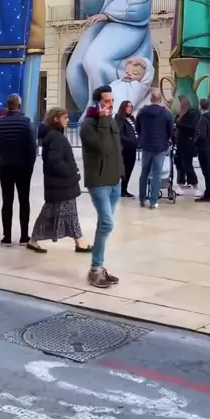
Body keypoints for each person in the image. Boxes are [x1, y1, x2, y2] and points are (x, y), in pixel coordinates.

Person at [27, 107, 91, 254]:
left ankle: (78, 241)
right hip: (60, 184)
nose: (67, 120)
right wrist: (71, 172)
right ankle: (78, 241)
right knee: (55, 213)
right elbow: (54, 161)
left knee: (64, 214)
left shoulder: (54, 135)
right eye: (65, 118)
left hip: (60, 184)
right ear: (56, 119)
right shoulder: (55, 137)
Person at [80, 85, 123, 288]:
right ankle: (95, 269)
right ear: (97, 102)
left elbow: (116, 149)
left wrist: (121, 173)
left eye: (112, 101)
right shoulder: (88, 124)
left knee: (103, 226)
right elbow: (101, 147)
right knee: (107, 223)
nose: (110, 104)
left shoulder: (111, 121)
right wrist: (104, 120)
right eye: (106, 101)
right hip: (98, 181)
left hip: (114, 180)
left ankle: (97, 267)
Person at [0, 93, 36, 245]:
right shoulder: (26, 122)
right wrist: (30, 164)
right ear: (19, 105)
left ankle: (7, 236)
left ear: (7, 106)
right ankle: (24, 236)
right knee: (24, 200)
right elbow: (32, 146)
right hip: (23, 166)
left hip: (5, 166)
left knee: (7, 200)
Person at [136, 89, 173, 208]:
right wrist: (165, 139)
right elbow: (170, 131)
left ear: (151, 99)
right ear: (160, 99)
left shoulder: (142, 112)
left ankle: (142, 199)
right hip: (160, 147)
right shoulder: (166, 114)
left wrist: (143, 136)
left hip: (146, 146)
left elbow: (137, 127)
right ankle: (153, 201)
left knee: (144, 172)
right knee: (157, 174)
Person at [194, 98, 210, 202]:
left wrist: (195, 141)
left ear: (200, 106)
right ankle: (209, 192)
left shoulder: (203, 119)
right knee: (208, 171)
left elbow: (202, 134)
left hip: (203, 148)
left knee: (206, 171)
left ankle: (208, 193)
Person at [174, 95, 199, 188]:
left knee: (187, 164)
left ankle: (194, 183)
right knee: (179, 162)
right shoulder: (179, 115)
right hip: (180, 143)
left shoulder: (192, 113)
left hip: (188, 142)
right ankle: (181, 182)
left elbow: (192, 126)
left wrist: (178, 124)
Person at [115, 100, 138, 198]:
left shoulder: (132, 119)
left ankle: (124, 189)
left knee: (129, 169)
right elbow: (119, 134)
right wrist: (131, 141)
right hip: (124, 149)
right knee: (124, 170)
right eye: (128, 106)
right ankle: (121, 190)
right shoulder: (119, 119)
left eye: (131, 107)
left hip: (132, 148)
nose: (130, 108)